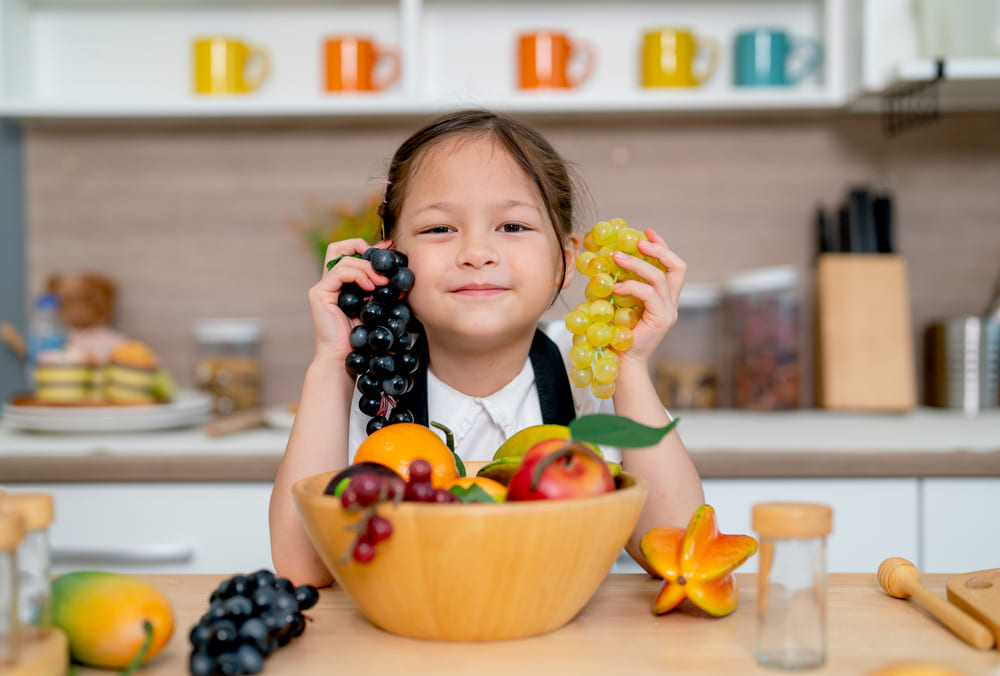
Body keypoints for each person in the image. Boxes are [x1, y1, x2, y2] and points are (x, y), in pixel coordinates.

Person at [269, 109, 704, 586]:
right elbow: (302, 567)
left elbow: (679, 552)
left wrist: (631, 365)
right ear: (390, 259)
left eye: (512, 227)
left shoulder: (589, 374)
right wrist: (332, 362)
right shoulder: (371, 385)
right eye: (440, 229)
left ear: (565, 260)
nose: (477, 252)